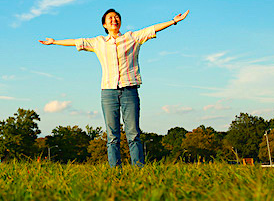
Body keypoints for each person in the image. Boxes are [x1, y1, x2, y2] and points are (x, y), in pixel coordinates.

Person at [39, 9, 189, 167]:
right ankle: (115, 171)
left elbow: (151, 29)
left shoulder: (132, 37)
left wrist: (174, 21)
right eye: (110, 18)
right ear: (104, 24)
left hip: (129, 89)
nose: (114, 19)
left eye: (116, 17)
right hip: (108, 92)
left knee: (133, 133)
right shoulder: (99, 42)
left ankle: (139, 169)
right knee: (112, 135)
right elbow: (77, 41)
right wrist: (54, 41)